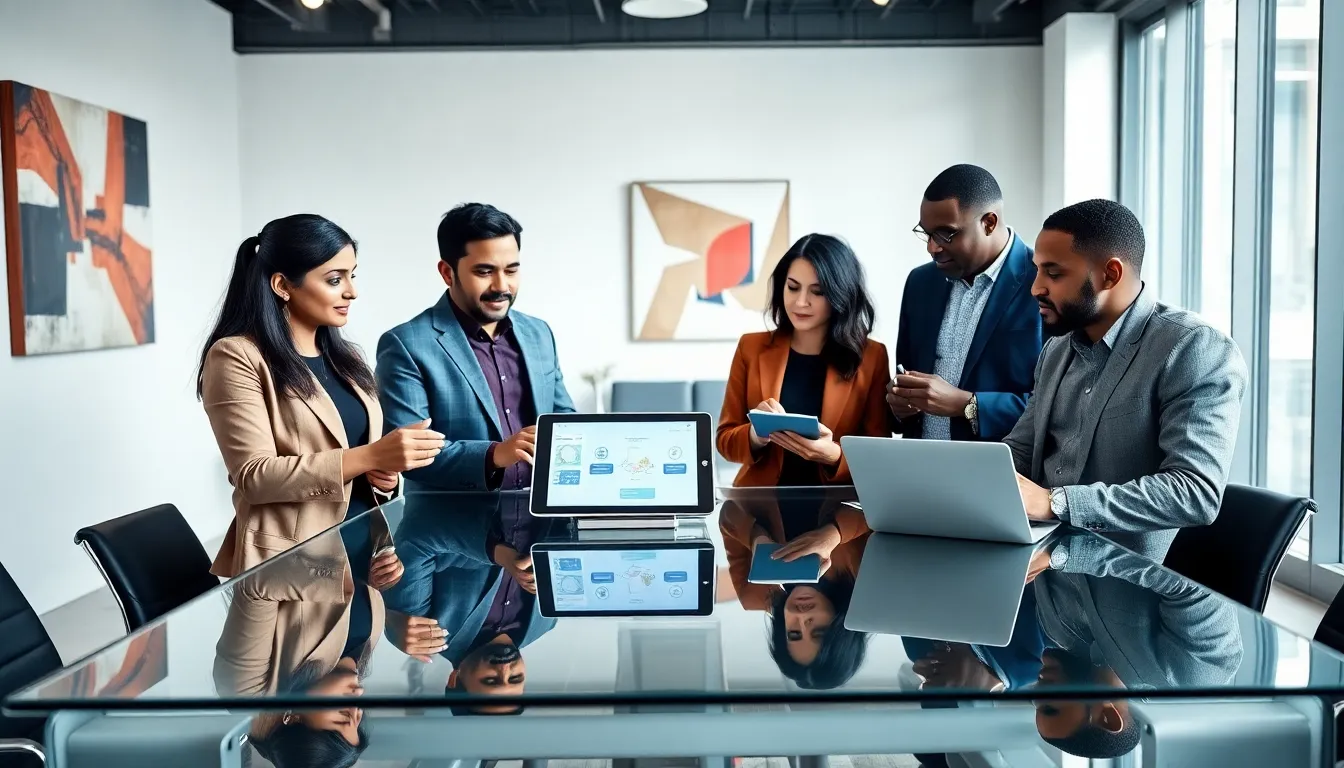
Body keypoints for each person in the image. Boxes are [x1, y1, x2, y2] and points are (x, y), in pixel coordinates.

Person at [199, 214, 445, 578]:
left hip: (364, 560)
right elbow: (254, 477)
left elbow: (358, 464)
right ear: (283, 285)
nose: (352, 291)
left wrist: (382, 477)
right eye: (334, 279)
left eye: (352, 275)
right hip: (290, 569)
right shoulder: (236, 356)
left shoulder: (348, 359)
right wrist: (371, 454)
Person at [1005, 199, 1248, 561]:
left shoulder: (1194, 348)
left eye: (1053, 274)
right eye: (1037, 271)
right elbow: (1022, 451)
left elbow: (1195, 492)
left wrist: (1056, 503)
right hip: (1046, 571)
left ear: (1110, 274)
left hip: (1130, 582)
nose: (1035, 288)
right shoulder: (1056, 352)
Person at [377, 203, 575, 493]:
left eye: (511, 270)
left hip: (539, 523)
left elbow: (564, 421)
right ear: (447, 272)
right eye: (484, 272)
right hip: (448, 530)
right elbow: (410, 455)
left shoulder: (539, 333)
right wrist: (496, 454)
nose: (501, 285)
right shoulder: (405, 345)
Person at [717, 234, 890, 487]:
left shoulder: (871, 357)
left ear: (840, 295)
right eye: (793, 287)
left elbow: (879, 456)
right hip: (758, 508)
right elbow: (724, 441)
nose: (800, 302)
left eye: (817, 292)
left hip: (837, 509)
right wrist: (756, 434)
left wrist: (834, 456)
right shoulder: (751, 347)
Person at [889, 164, 1042, 442]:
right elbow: (903, 377)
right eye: (926, 233)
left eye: (946, 234)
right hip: (916, 470)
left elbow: (1057, 408)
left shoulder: (1043, 284)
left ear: (989, 223)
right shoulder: (919, 283)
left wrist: (967, 405)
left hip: (999, 475)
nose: (932, 247)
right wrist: (899, 402)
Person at [719, 490, 871, 689]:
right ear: (842, 632)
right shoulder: (864, 580)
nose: (802, 618)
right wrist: (834, 533)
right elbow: (882, 508)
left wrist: (756, 537)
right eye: (818, 631)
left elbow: (728, 511)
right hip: (841, 467)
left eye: (794, 633)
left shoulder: (754, 595)